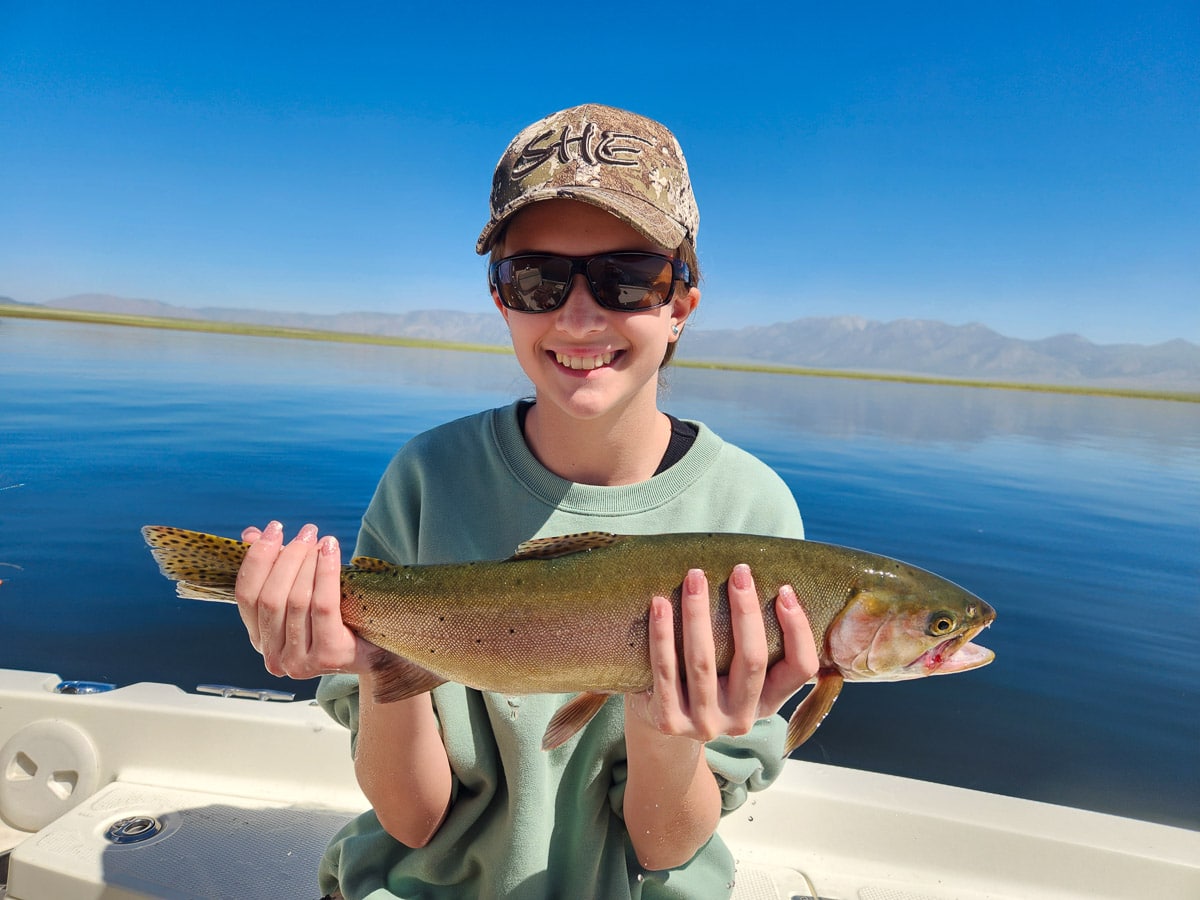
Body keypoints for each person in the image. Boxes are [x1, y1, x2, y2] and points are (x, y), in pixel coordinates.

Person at [233, 103, 820, 900]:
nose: (579, 316)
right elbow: (413, 821)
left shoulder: (752, 512)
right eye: (537, 279)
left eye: (627, 278)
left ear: (680, 303)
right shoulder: (428, 477)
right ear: (500, 299)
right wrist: (375, 663)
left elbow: (665, 845)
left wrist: (661, 722)